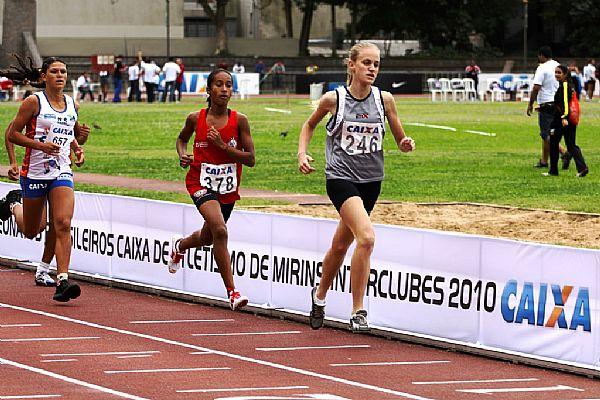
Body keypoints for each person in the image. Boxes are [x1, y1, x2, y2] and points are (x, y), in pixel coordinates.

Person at [297, 42, 415, 332]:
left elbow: (399, 137)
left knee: (340, 245)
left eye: (376, 64)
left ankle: (320, 295)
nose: (372, 69)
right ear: (351, 65)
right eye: (366, 63)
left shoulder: (384, 100)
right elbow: (309, 125)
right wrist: (302, 152)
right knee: (367, 238)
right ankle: (358, 309)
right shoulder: (333, 99)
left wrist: (405, 144)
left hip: (371, 182)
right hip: (340, 178)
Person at [169, 69, 256, 311]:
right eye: (219, 84)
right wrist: (182, 155)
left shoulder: (240, 120)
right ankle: (232, 292)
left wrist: (223, 148)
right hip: (200, 182)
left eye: (229, 85)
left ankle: (180, 246)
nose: (225, 89)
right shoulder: (195, 118)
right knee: (220, 229)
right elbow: (181, 139)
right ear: (208, 90)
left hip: (227, 188)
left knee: (209, 237)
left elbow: (250, 159)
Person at [0, 57, 86, 302]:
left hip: (61, 170)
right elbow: (12, 133)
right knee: (32, 229)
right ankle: (13, 203)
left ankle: (62, 279)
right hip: (35, 172)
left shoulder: (73, 104)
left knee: (62, 222)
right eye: (55, 71)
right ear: (44, 76)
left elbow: (70, 135)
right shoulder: (33, 102)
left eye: (64, 72)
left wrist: (79, 149)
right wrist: (38, 146)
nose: (60, 75)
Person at [527, 46, 569, 170]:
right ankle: (544, 161)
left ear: (541, 56)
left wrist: (530, 104)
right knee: (548, 133)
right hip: (558, 103)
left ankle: (564, 152)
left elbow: (536, 88)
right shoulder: (558, 66)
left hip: (546, 103)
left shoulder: (542, 68)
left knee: (546, 133)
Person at [544, 65, 588, 178]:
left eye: (559, 72)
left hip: (561, 121)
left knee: (553, 143)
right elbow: (560, 103)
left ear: (565, 74)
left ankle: (553, 171)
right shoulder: (568, 85)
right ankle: (582, 168)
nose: (556, 74)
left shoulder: (564, 85)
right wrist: (545, 107)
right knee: (571, 145)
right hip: (569, 121)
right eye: (555, 72)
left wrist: (563, 117)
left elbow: (564, 103)